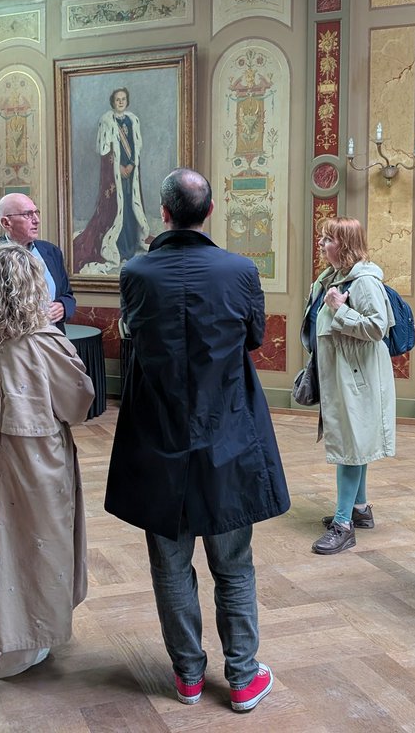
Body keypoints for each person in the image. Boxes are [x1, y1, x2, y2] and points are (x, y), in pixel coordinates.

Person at [105, 168, 288, 713]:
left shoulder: (136, 271)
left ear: (163, 213)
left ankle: (187, 676)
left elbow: (133, 335)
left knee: (169, 563)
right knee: (233, 563)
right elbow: (253, 337)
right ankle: (242, 677)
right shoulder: (240, 270)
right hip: (227, 433)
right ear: (209, 213)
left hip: (157, 435)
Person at [0, 242, 95, 679]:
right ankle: (32, 637)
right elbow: (79, 404)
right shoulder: (48, 343)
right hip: (38, 456)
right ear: (34, 288)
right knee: (38, 538)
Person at [306, 217, 397, 556]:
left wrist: (339, 310)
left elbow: (377, 327)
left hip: (358, 376)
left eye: (328, 239)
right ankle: (359, 509)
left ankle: (343, 525)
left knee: (350, 444)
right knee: (354, 439)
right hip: (346, 372)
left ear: (343, 245)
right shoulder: (333, 277)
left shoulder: (363, 281)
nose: (321, 244)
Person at [0, 193, 75, 329]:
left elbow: (68, 295)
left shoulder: (51, 252)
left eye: (36, 212)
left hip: (51, 342)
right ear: (6, 222)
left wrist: (64, 306)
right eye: (28, 214)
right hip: (6, 344)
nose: (36, 220)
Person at [71, 87, 150, 272]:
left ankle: (130, 246)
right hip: (115, 172)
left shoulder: (133, 120)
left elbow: (135, 147)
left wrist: (131, 165)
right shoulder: (107, 121)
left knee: (130, 206)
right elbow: (105, 150)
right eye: (117, 99)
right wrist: (120, 167)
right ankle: (119, 248)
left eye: (123, 99)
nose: (121, 102)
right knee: (116, 207)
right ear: (112, 102)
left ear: (127, 101)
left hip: (130, 170)